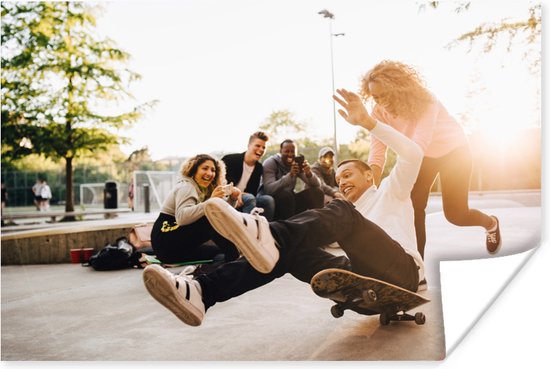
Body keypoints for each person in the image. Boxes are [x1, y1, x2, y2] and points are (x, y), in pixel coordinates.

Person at [142, 88, 426, 326]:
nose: (342, 181)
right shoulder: (350, 215)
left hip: (401, 272)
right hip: (365, 287)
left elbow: (414, 154)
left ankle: (270, 234)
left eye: (348, 175)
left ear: (369, 175)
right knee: (286, 254)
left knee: (340, 213)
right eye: (339, 178)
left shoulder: (392, 190)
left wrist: (368, 123)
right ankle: (202, 292)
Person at [362, 60, 501, 257]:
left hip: (454, 152)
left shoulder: (425, 101)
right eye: (375, 97)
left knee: (456, 215)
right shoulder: (377, 112)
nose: (380, 101)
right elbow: (377, 154)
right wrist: (371, 190)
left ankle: (491, 223)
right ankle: (417, 268)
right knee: (413, 209)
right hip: (423, 156)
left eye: (385, 95)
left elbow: (420, 142)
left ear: (399, 88)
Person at [150, 154, 242, 265]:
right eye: (204, 168)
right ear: (194, 170)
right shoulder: (187, 186)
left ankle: (224, 267)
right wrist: (210, 202)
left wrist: (233, 198)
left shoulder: (204, 190)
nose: (209, 173)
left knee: (220, 252)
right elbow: (182, 218)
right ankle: (235, 260)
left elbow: (222, 213)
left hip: (176, 249)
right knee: (211, 218)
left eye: (213, 170)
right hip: (166, 242)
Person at [262, 139, 324, 220]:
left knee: (317, 192)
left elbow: (317, 185)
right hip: (275, 202)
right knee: (286, 195)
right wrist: (290, 175)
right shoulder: (271, 163)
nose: (290, 154)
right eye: (287, 151)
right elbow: (269, 190)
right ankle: (289, 228)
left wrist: (309, 173)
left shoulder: (296, 163)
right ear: (280, 151)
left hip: (290, 201)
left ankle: (317, 224)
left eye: (292, 151)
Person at [222, 131, 275, 221]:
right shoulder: (230, 159)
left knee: (268, 200)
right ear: (249, 145)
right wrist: (235, 192)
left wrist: (241, 194)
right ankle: (246, 228)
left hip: (245, 196)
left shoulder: (259, 168)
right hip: (227, 194)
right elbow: (221, 183)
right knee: (250, 198)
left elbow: (253, 192)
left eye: (264, 147)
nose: (261, 149)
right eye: (258, 146)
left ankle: (266, 229)